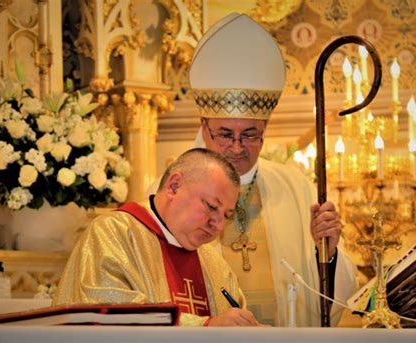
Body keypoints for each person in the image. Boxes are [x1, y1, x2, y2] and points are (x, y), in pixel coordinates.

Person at [188, 13, 358, 326]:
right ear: (205, 126)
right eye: (226, 134)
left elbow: (337, 296)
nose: (238, 147)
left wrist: (329, 252)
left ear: (265, 129)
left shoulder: (296, 186)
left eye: (250, 134)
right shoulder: (182, 188)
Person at [53, 148, 259, 327]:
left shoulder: (214, 264)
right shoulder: (114, 233)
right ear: (174, 186)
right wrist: (204, 325)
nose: (219, 225)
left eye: (226, 215)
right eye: (211, 207)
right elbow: (108, 315)